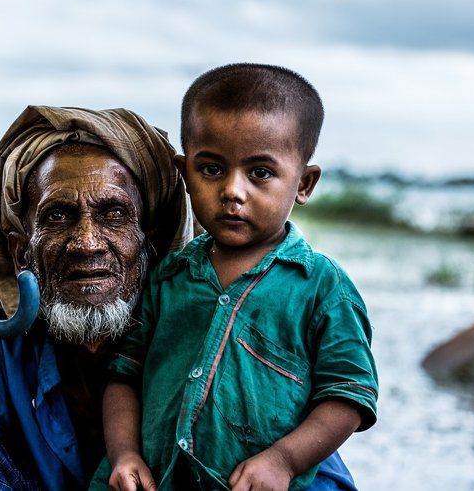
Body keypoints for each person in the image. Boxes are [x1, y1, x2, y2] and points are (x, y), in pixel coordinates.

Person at [0, 105, 359, 491]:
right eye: (58, 217)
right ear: (22, 252)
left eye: (113, 215)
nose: (87, 243)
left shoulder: (220, 332)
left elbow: (315, 468)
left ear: (150, 239)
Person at [96, 65, 378, 491]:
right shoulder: (167, 277)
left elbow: (349, 395)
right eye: (211, 169)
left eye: (260, 173)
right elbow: (124, 377)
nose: (233, 191)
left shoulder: (321, 287)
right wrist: (125, 455)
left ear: (303, 183)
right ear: (184, 172)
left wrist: (283, 461)